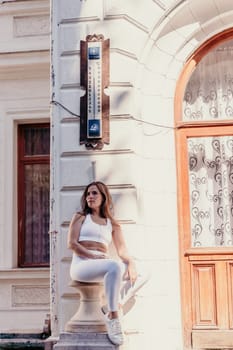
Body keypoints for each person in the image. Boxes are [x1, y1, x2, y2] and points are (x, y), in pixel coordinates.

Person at [67, 181, 147, 346]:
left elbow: (122, 250)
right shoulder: (80, 217)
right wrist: (92, 256)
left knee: (145, 271)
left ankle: (115, 304)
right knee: (113, 265)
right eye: (88, 194)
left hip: (102, 264)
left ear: (104, 197)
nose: (90, 197)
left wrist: (131, 262)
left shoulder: (113, 224)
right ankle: (113, 316)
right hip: (82, 265)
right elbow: (72, 244)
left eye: (94, 193)